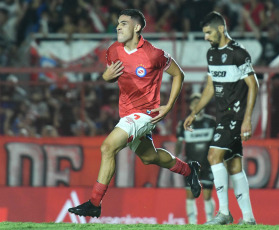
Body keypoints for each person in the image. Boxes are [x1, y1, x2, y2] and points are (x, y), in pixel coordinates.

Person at [68, 9, 202, 218]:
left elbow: (179, 74)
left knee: (108, 147)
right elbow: (110, 76)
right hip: (127, 115)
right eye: (118, 23)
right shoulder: (113, 50)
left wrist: (168, 106)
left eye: (123, 23)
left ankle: (95, 202)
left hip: (146, 114)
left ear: (137, 27)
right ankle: (189, 170)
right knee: (150, 157)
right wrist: (106, 77)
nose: (118, 27)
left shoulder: (153, 54)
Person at [184, 11, 258, 225]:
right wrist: (195, 111)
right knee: (235, 166)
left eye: (208, 33)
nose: (206, 37)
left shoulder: (238, 53)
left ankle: (224, 212)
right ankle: (249, 218)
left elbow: (254, 85)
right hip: (222, 117)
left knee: (214, 156)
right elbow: (210, 86)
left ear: (220, 29)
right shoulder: (212, 54)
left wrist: (247, 119)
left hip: (234, 117)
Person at [175, 93, 216, 224]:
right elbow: (179, 142)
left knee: (207, 195)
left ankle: (210, 222)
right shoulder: (184, 123)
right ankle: (192, 223)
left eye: (200, 103)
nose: (197, 105)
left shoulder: (211, 122)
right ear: (191, 106)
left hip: (208, 164)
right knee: (190, 194)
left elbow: (218, 142)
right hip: (191, 165)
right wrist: (177, 158)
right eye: (194, 103)